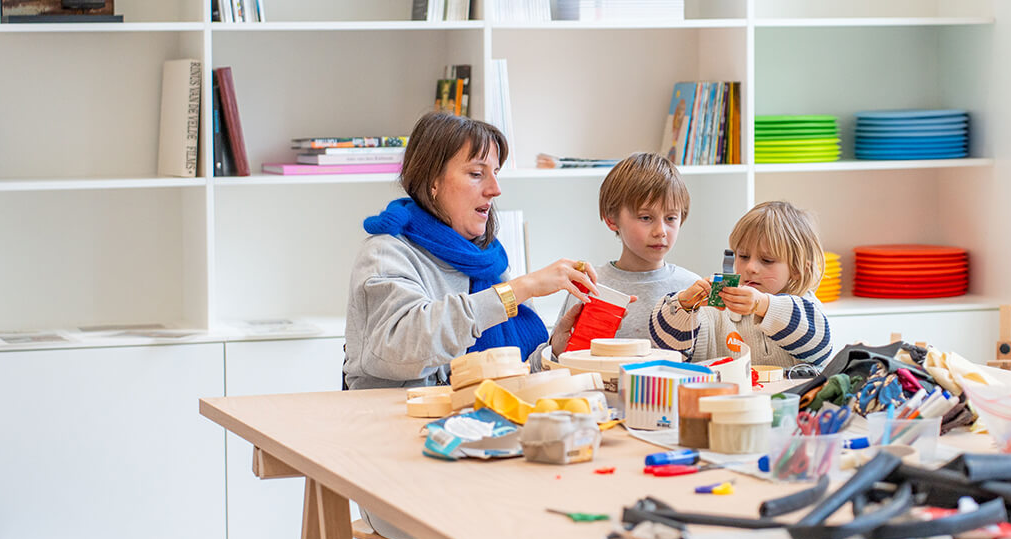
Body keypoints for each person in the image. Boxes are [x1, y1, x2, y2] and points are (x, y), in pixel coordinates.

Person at [343, 111, 599, 391]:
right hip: (393, 424)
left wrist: (555, 349)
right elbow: (398, 347)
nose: (495, 189)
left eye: (496, 174)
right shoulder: (385, 253)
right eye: (477, 174)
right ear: (433, 181)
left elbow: (515, 374)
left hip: (477, 422)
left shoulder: (490, 260)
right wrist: (519, 290)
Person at [648, 200, 833, 370]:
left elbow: (820, 347)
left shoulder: (807, 309)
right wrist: (683, 306)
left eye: (767, 260)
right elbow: (670, 353)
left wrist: (763, 305)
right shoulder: (715, 311)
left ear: (797, 269)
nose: (751, 267)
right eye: (743, 256)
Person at [546, 152, 699, 355]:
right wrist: (556, 352)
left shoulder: (691, 287)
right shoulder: (589, 284)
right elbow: (558, 361)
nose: (661, 231)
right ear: (611, 219)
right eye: (646, 217)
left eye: (671, 218)